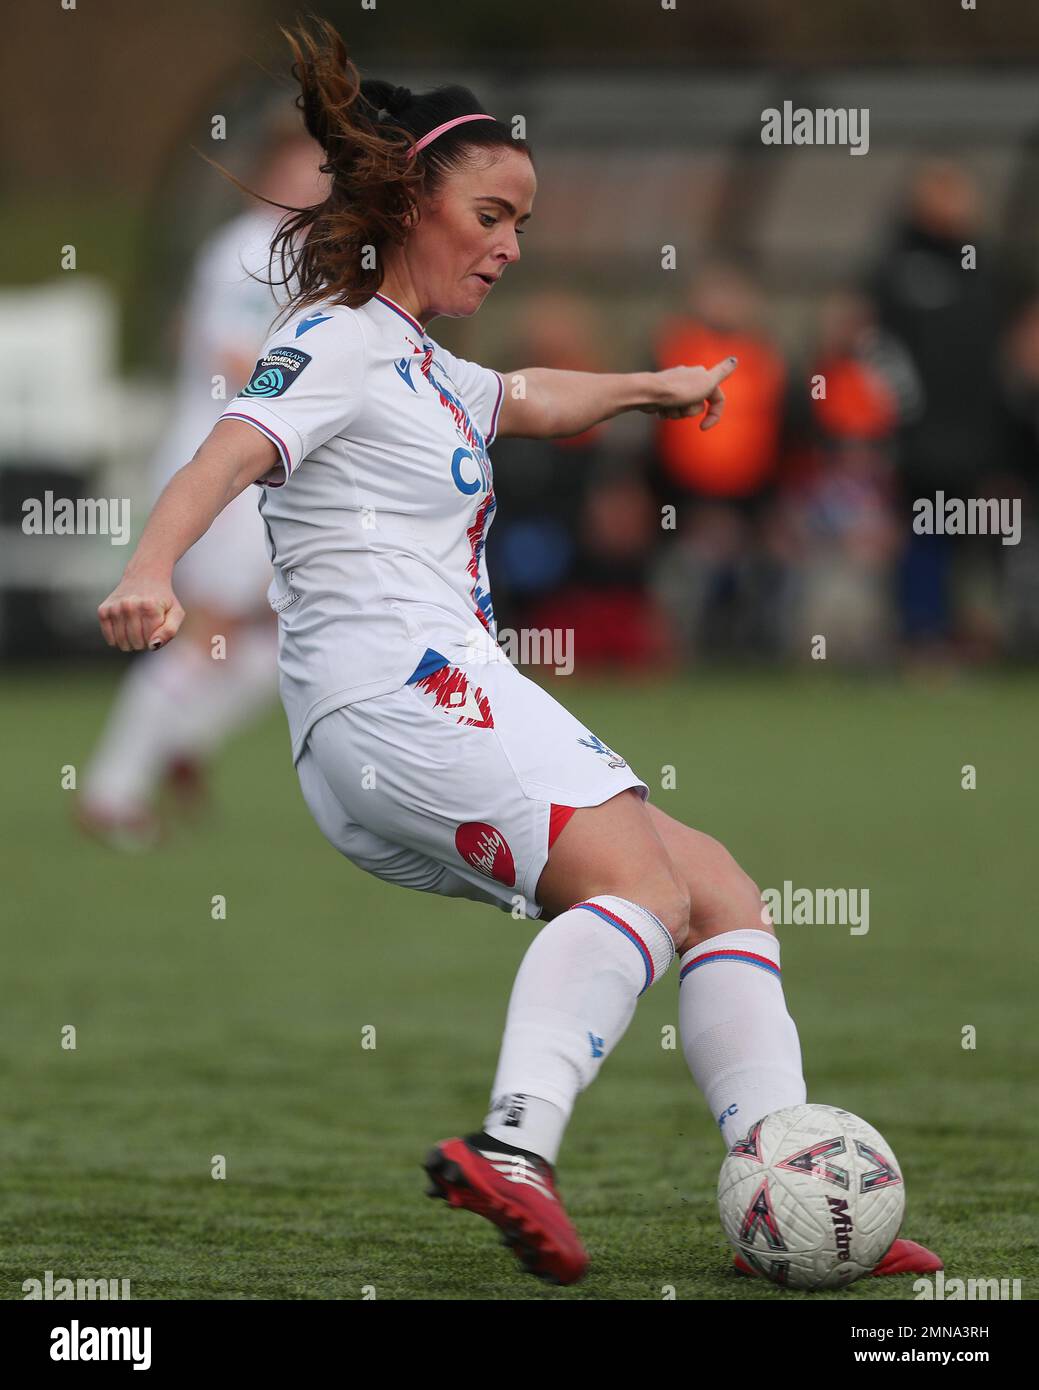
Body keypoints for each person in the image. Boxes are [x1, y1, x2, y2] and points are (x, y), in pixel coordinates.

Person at [96, 20, 941, 1286]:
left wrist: (648, 386)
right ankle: (516, 1150)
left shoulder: (418, 358)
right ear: (407, 200)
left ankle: (793, 1177)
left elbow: (527, 396)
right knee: (640, 889)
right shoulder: (332, 339)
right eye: (490, 215)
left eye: (521, 227)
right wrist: (149, 569)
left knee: (713, 885)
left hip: (439, 689)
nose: (507, 245)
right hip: (392, 694)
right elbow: (227, 450)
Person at [79, 126, 326, 846]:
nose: (318, 183)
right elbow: (232, 358)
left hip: (252, 467)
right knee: (212, 624)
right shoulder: (250, 249)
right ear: (267, 172)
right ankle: (110, 791)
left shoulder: (289, 254)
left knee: (280, 626)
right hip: (220, 467)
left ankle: (183, 735)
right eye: (304, 168)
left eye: (325, 171)